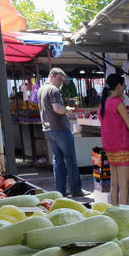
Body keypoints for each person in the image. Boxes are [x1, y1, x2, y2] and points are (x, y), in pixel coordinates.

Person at [39, 67, 84, 198]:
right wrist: (67, 110)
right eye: (59, 79)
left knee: (57, 160)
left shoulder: (41, 89)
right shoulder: (53, 90)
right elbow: (57, 108)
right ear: (51, 76)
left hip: (48, 129)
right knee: (70, 160)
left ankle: (60, 191)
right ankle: (76, 190)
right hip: (60, 128)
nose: (61, 83)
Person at [99, 73, 129, 205]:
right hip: (121, 147)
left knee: (114, 185)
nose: (124, 88)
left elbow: (111, 125)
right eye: (123, 85)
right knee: (124, 185)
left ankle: (115, 212)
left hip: (109, 147)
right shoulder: (117, 103)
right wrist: (128, 130)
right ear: (119, 86)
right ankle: (124, 214)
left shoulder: (104, 103)